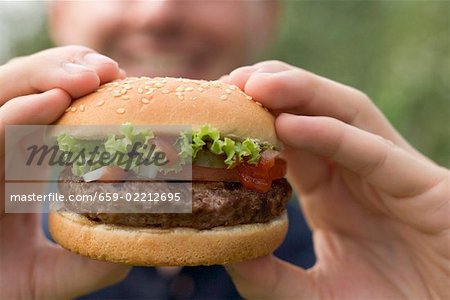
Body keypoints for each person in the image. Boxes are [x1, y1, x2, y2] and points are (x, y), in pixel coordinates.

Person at [0, 1, 448, 299]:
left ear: (267, 12)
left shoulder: (374, 241)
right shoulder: (16, 215)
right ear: (59, 10)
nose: (158, 12)